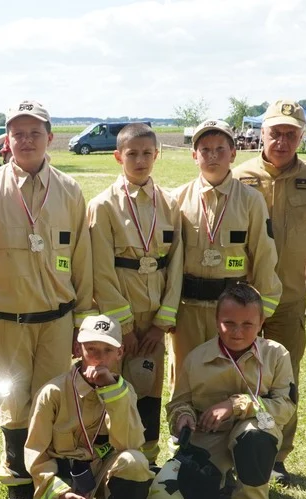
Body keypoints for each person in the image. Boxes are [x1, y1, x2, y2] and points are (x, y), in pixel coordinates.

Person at [0, 100, 95, 499]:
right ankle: (17, 477)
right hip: (3, 321)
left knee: (52, 399)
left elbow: (81, 259)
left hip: (57, 320)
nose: (26, 140)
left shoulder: (69, 190)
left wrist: (81, 322)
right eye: (18, 133)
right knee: (14, 400)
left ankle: (47, 472)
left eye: (35, 133)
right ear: (7, 141)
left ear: (50, 138)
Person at [233, 100, 306, 486]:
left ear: (303, 135)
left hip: (289, 299)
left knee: (284, 380)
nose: (282, 140)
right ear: (262, 133)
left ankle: (276, 455)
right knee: (238, 375)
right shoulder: (239, 175)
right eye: (275, 131)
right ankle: (235, 448)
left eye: (291, 133)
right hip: (241, 301)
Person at [168, 283, 295, 499]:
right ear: (216, 321)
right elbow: (179, 403)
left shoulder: (276, 354)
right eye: (229, 323)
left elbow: (285, 407)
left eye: (248, 324)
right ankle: (224, 482)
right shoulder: (196, 358)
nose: (238, 332)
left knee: (254, 440)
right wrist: (183, 419)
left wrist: (235, 405)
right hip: (209, 435)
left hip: (255, 427)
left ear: (262, 322)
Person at [87, 123, 182, 468]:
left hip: (154, 320)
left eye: (146, 153)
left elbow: (176, 264)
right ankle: (108, 458)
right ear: (118, 156)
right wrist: (124, 325)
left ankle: (147, 458)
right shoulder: (103, 206)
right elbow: (100, 270)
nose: (140, 160)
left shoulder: (170, 204)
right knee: (110, 386)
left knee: (148, 388)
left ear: (156, 155)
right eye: (132, 154)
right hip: (117, 324)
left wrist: (162, 322)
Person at [25, 314, 152, 499]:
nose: (99, 357)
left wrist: (112, 393)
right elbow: (36, 453)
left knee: (136, 462)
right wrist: (59, 492)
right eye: (91, 348)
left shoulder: (125, 392)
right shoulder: (53, 393)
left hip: (106, 470)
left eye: (107, 350)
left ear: (120, 353)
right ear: (77, 349)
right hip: (69, 479)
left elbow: (130, 444)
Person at [170, 119, 281, 381]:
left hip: (234, 311)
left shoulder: (251, 200)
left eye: (220, 149)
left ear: (233, 153)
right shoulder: (176, 199)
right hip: (188, 309)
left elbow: (264, 256)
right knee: (185, 378)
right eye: (205, 150)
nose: (212, 156)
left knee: (229, 378)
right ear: (194, 155)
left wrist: (260, 310)